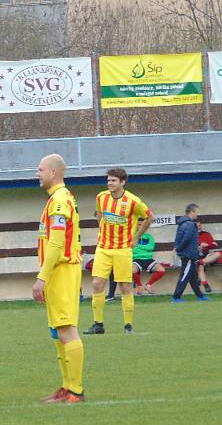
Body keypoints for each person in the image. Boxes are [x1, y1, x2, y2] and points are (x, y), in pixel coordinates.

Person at [31, 154, 85, 404]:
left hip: (62, 270)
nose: (37, 173)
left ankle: (75, 390)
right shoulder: (55, 200)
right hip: (56, 271)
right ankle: (66, 387)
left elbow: (56, 241)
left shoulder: (60, 201)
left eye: (40, 169)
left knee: (66, 329)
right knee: (57, 332)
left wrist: (41, 277)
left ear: (53, 172)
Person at [84, 168, 153, 335]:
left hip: (122, 249)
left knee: (125, 286)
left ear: (122, 182)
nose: (109, 183)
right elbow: (100, 215)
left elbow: (150, 217)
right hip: (103, 248)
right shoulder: (101, 197)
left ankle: (128, 325)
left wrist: (136, 236)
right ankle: (98, 324)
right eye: (108, 180)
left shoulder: (132, 201)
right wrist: (102, 230)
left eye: (113, 180)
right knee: (97, 283)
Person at [171, 204, 210, 303]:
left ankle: (200, 296)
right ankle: (176, 297)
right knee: (184, 276)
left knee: (193, 278)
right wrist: (179, 249)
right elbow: (186, 239)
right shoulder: (189, 224)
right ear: (192, 212)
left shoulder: (183, 223)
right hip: (188, 255)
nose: (197, 214)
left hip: (189, 254)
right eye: (197, 212)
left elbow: (180, 238)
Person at [196, 220, 220, 293]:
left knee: (218, 254)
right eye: (196, 225)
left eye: (199, 225)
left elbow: (214, 245)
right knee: (201, 266)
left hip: (207, 256)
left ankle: (200, 263)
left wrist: (206, 245)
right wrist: (197, 247)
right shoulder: (190, 235)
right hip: (195, 256)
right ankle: (206, 285)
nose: (198, 227)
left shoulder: (206, 234)